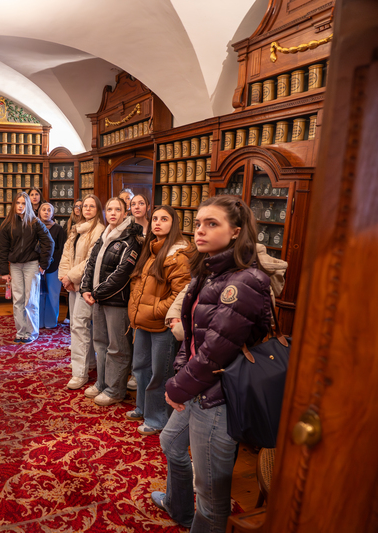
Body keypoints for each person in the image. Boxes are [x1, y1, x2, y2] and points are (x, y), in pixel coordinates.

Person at [152, 196, 272, 533]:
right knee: (171, 444)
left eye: (212, 224)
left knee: (209, 493)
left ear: (235, 232)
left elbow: (215, 352)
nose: (200, 230)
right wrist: (180, 371)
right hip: (197, 385)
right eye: (199, 223)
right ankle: (178, 507)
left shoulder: (245, 281)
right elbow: (192, 337)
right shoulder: (209, 270)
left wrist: (177, 385)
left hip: (219, 396)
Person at [126, 206, 190, 435]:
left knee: (159, 373)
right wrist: (137, 306)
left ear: (174, 224)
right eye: (155, 219)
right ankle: (143, 408)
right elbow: (137, 282)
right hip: (143, 320)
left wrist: (155, 311)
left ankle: (157, 418)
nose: (157, 223)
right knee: (140, 368)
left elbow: (180, 294)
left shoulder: (178, 254)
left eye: (164, 219)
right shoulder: (150, 249)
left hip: (161, 324)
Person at [80, 198, 143, 406]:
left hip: (117, 302)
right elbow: (91, 263)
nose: (113, 213)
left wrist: (96, 293)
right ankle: (102, 383)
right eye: (109, 209)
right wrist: (85, 289)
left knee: (118, 348)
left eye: (118, 209)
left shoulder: (130, 238)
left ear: (126, 213)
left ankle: (115, 389)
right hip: (98, 299)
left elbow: (122, 273)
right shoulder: (104, 234)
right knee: (100, 343)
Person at [58, 195, 105, 389]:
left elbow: (91, 261)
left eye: (91, 206)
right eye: (84, 205)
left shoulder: (100, 230)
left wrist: (71, 277)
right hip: (72, 284)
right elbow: (66, 253)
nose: (87, 208)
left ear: (98, 209)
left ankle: (79, 373)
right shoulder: (77, 229)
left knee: (80, 326)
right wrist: (64, 277)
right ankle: (88, 363)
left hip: (86, 285)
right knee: (78, 327)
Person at [0, 192, 54, 343]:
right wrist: (4, 271)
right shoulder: (7, 224)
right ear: (14, 205)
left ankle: (32, 333)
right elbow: (3, 249)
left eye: (23, 203)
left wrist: (44, 264)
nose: (20, 206)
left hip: (31, 265)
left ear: (27, 205)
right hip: (15, 267)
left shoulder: (35, 223)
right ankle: (21, 332)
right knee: (18, 300)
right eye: (18, 203)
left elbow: (49, 242)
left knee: (31, 300)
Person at [126, 192, 151, 392]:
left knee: (139, 329)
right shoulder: (126, 227)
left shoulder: (153, 227)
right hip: (126, 278)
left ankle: (138, 373)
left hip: (145, 279)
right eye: (133, 204)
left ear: (147, 206)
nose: (137, 207)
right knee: (125, 328)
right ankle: (128, 368)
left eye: (141, 203)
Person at [37, 202, 67, 329]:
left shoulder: (59, 229)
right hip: (37, 266)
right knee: (38, 295)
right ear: (39, 212)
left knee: (52, 295)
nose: (46, 212)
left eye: (49, 210)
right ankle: (38, 321)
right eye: (43, 209)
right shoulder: (34, 227)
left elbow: (62, 248)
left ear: (52, 213)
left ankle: (50, 322)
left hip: (54, 267)